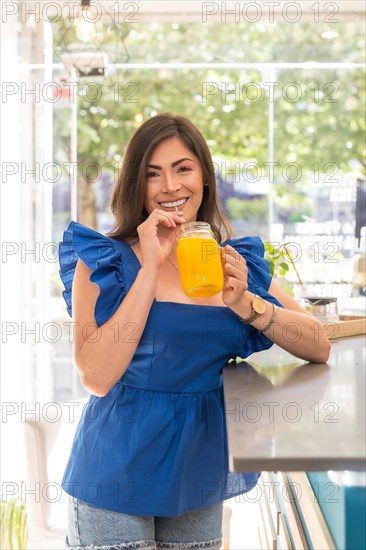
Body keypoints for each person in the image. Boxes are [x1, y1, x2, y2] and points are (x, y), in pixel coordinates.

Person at [58, 112, 330, 549]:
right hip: (114, 473)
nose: (170, 186)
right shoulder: (103, 260)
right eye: (153, 174)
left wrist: (246, 303)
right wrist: (149, 266)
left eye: (183, 168)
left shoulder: (232, 262)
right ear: (137, 186)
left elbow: (318, 345)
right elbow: (96, 375)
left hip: (198, 473)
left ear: (204, 176)